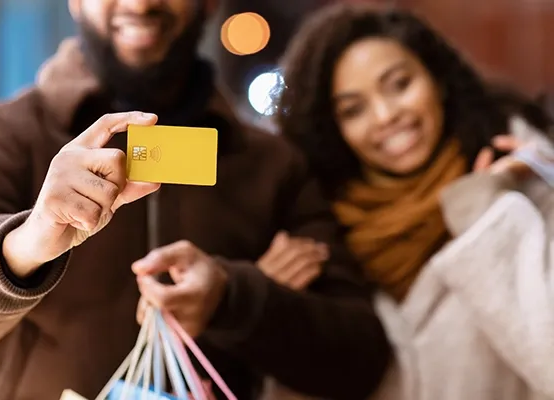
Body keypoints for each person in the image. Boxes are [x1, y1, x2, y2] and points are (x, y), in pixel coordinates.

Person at [0, 0, 391, 399]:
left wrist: (234, 297)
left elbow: (358, 360)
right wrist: (27, 242)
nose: (140, 4)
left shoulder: (273, 164)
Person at [228, 3, 554, 399]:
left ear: (438, 79)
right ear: (333, 129)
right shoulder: (320, 231)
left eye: (399, 84)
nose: (385, 115)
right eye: (353, 110)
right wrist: (272, 308)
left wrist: (487, 216)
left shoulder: (528, 185)